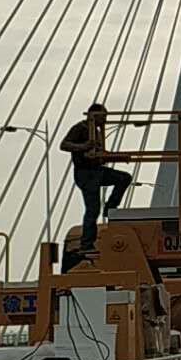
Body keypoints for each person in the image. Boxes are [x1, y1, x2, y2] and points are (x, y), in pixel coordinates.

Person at [60, 102, 132, 259]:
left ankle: (111, 206)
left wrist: (119, 157)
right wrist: (84, 146)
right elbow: (64, 145)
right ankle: (86, 244)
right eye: (103, 116)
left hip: (97, 171)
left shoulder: (97, 132)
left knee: (124, 178)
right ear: (94, 115)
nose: (105, 120)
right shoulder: (80, 128)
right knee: (92, 209)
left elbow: (101, 153)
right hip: (85, 173)